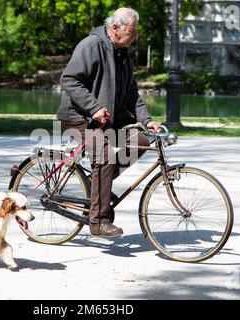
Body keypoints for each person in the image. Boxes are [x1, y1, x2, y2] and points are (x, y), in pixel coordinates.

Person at [56, 7, 161, 237]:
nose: (135, 37)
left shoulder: (123, 54)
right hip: (78, 118)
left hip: (109, 118)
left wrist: (147, 121)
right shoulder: (91, 45)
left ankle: (99, 187)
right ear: (115, 28)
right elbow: (69, 79)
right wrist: (93, 107)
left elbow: (132, 95)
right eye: (132, 32)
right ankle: (98, 221)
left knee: (142, 139)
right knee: (103, 154)